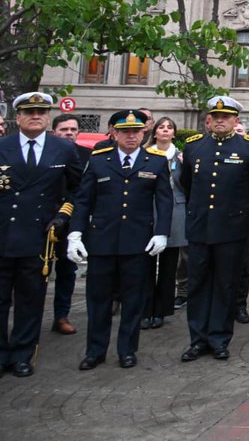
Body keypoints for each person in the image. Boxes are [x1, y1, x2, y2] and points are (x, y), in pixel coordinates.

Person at [67, 110, 172, 370]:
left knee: (134, 300)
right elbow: (83, 200)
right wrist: (75, 233)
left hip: (137, 243)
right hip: (102, 241)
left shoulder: (155, 161)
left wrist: (162, 232)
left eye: (136, 131)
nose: (131, 136)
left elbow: (164, 200)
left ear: (143, 133)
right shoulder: (100, 160)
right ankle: (95, 351)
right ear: (114, 133)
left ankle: (127, 350)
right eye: (125, 132)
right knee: (98, 300)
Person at [0, 93, 84, 377]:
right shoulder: (3, 146)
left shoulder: (63, 149)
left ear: (48, 117)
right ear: (18, 117)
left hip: (39, 236)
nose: (36, 116)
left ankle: (23, 354)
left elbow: (77, 188)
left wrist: (64, 214)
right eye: (29, 112)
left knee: (30, 299)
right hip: (4, 233)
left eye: (41, 111)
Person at [179, 96, 249, 362]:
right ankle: (197, 339)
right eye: (215, 117)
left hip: (232, 228)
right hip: (200, 227)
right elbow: (187, 184)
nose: (220, 121)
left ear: (235, 121)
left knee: (224, 284)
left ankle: (218, 338)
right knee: (197, 284)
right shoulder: (194, 147)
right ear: (209, 120)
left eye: (226, 117)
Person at [142, 117, 186, 330]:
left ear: (174, 133)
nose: (166, 130)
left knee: (170, 264)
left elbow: (185, 185)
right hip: (149, 209)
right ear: (155, 132)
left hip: (176, 211)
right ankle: (146, 308)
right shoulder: (145, 155)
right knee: (146, 262)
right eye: (162, 127)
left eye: (170, 127)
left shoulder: (179, 156)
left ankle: (162, 309)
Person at [49, 112, 85, 336]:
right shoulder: (46, 152)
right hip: (41, 221)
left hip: (70, 220)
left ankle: (61, 316)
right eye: (64, 129)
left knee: (67, 271)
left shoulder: (86, 155)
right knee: (36, 272)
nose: (69, 133)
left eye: (73, 129)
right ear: (54, 132)